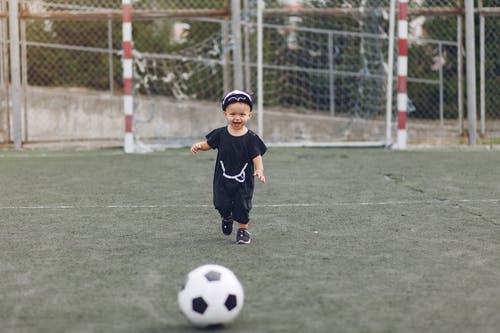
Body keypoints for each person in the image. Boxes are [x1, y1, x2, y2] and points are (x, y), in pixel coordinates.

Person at [191, 90, 267, 244]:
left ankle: (243, 231)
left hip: (243, 180)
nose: (237, 118)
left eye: (242, 114)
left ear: (249, 115)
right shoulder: (220, 134)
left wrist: (259, 170)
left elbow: (256, 156)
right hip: (222, 179)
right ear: (225, 113)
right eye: (232, 114)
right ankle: (226, 217)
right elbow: (209, 144)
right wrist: (200, 146)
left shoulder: (251, 138)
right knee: (221, 203)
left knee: (242, 205)